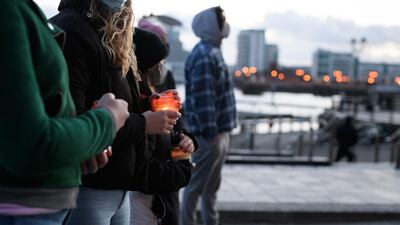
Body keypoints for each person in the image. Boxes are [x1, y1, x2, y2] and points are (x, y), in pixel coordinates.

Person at [51, 0, 180, 224]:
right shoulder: (73, 29)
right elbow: (73, 119)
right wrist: (144, 123)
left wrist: (148, 103)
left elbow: (114, 98)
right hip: (89, 190)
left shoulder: (104, 28)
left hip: (118, 190)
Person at [0, 1, 129, 225]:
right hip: (23, 209)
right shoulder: (8, 11)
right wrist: (107, 121)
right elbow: (31, 143)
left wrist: (81, 147)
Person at [130, 28, 197, 225]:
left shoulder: (159, 94)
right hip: (149, 205)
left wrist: (185, 142)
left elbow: (175, 131)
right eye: (160, 62)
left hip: (165, 199)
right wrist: (183, 167)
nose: (163, 66)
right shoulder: (140, 103)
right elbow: (145, 168)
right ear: (148, 66)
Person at [181, 6, 237, 225]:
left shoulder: (210, 51)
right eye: (221, 21)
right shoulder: (206, 55)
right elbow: (205, 100)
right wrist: (211, 133)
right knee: (197, 187)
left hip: (217, 133)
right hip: (210, 135)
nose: (225, 26)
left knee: (209, 188)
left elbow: (206, 97)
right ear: (212, 27)